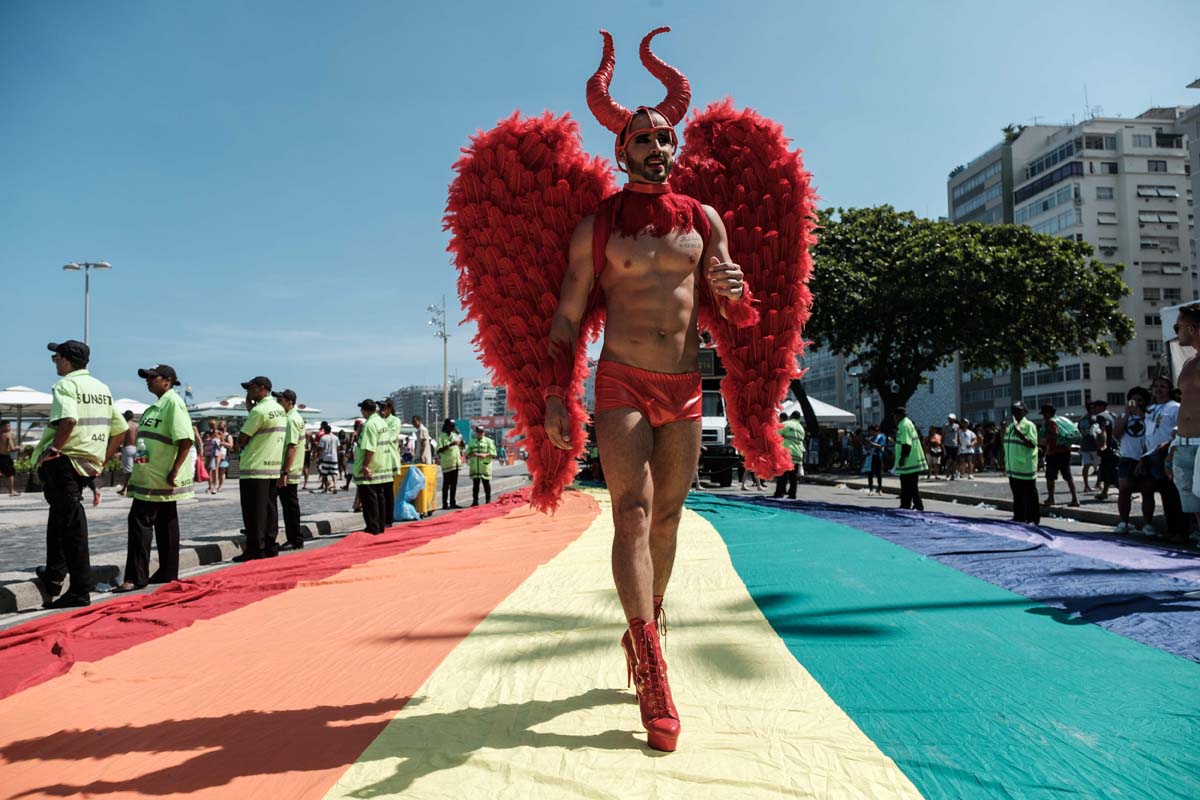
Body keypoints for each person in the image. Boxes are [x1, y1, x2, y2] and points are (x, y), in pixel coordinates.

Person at [541, 50, 757, 750]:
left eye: (666, 136)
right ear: (621, 149)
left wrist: (737, 293)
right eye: (644, 137)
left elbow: (741, 312)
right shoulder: (597, 227)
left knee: (667, 519)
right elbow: (568, 319)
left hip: (687, 386)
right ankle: (652, 661)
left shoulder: (704, 218)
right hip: (622, 381)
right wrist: (554, 394)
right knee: (630, 513)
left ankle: (646, 623)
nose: (658, 146)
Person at [32, 340, 127, 608]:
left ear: (65, 360)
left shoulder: (66, 385)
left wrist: (53, 449)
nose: (55, 363)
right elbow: (119, 429)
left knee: (72, 525)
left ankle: (79, 590)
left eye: (55, 358)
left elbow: (69, 420)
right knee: (60, 518)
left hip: (65, 461)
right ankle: (54, 574)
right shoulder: (102, 388)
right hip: (86, 463)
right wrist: (102, 461)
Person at [116, 365, 193, 591]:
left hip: (160, 477)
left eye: (152, 377)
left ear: (167, 381)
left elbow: (186, 440)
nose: (147, 381)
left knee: (139, 523)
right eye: (146, 377)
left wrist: (175, 470)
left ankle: (135, 577)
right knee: (166, 522)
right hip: (151, 474)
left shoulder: (173, 404)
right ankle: (168, 572)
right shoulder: (156, 407)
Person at [233, 376, 286, 561]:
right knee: (270, 510)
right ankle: (270, 545)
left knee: (254, 512)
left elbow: (243, 437)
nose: (248, 391)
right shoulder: (279, 410)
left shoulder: (259, 411)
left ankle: (255, 549)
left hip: (254, 466)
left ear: (261, 388)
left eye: (250, 388)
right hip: (272, 466)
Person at [1167, 305, 1200, 545]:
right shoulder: (1189, 362)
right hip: (1185, 442)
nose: (1175, 331)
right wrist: (1176, 442)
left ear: (1193, 328)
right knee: (1194, 505)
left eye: (1177, 327)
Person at [1141, 375, 1184, 540]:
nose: (1159, 389)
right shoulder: (1150, 409)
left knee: (1174, 494)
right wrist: (1143, 457)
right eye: (1156, 386)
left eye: (1163, 386)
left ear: (1169, 390)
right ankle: (1170, 529)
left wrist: (1167, 445)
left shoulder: (1175, 407)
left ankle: (1180, 531)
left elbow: (1179, 430)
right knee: (1164, 495)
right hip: (1151, 456)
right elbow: (1147, 434)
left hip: (1168, 454)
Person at [1113, 387, 1151, 535]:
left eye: (1140, 401)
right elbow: (1116, 433)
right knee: (1124, 491)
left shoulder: (1150, 417)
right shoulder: (1123, 416)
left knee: (1147, 492)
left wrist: (1142, 415)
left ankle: (1148, 523)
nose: (1136, 404)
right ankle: (1123, 521)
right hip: (1127, 459)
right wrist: (1128, 415)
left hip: (1145, 458)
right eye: (1133, 400)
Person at [352, 399, 390, 534]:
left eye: (362, 409)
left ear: (365, 410)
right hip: (381, 465)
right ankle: (380, 526)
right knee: (379, 498)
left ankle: (372, 527)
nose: (361, 412)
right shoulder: (381, 422)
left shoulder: (370, 424)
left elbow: (370, 448)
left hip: (370, 467)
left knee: (369, 501)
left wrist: (364, 466)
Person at [275, 389, 306, 551]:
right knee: (290, 506)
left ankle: (295, 538)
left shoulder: (291, 420)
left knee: (290, 507)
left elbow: (291, 447)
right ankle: (294, 537)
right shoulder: (294, 417)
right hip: (291, 468)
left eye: (280, 400)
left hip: (288, 470)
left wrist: (284, 472)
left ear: (290, 402)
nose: (278, 402)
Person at [1004, 401, 1040, 525]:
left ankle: (1033, 519)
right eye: (1014, 411)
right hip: (1013, 468)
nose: (1016, 414)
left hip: (1025, 467)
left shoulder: (1029, 426)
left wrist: (1021, 434)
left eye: (1019, 411)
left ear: (1025, 412)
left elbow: (1032, 444)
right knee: (1017, 495)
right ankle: (1019, 517)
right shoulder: (1010, 427)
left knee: (1030, 495)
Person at [1039, 404, 1080, 508]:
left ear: (1047, 413)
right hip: (1066, 451)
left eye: (1044, 414)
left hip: (1054, 452)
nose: (1043, 416)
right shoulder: (1062, 419)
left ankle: (1051, 498)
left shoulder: (1051, 422)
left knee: (1050, 477)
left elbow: (1055, 434)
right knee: (1068, 476)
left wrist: (1045, 438)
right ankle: (1075, 499)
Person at [892, 406, 926, 510]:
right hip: (911, 460)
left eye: (894, 416)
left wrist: (902, 458)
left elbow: (907, 444)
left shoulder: (904, 425)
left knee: (908, 485)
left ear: (899, 416)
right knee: (910, 485)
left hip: (909, 461)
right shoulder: (906, 423)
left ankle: (913, 505)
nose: (894, 418)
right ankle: (909, 504)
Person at [378, 399, 401, 527]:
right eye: (380, 408)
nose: (381, 410)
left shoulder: (394, 421)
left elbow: (390, 437)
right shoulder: (378, 420)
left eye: (384, 408)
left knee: (387, 490)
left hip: (389, 457)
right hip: (379, 459)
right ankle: (381, 518)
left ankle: (388, 519)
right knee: (379, 491)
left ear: (390, 408)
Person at [436, 418, 464, 510]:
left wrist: (460, 436)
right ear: (446, 426)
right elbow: (439, 450)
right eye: (451, 426)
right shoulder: (442, 437)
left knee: (454, 484)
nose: (452, 428)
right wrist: (450, 445)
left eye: (454, 426)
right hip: (447, 464)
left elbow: (462, 445)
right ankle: (445, 503)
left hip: (455, 463)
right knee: (446, 484)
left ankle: (453, 502)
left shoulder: (455, 435)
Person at [466, 425, 497, 505]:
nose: (480, 433)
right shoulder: (472, 441)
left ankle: (488, 500)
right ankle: (475, 501)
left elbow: (494, 453)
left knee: (486, 484)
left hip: (485, 466)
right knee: (475, 485)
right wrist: (472, 454)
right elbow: (467, 453)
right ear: (476, 433)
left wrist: (485, 455)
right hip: (475, 467)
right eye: (478, 432)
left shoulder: (489, 441)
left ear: (484, 432)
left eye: (481, 432)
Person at [116, 410, 137, 495]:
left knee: (128, 471)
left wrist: (117, 449)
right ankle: (133, 488)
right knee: (135, 470)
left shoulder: (125, 425)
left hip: (127, 448)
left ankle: (124, 489)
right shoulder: (136, 425)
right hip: (136, 448)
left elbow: (122, 439)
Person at [316, 422, 339, 493]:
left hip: (325, 457)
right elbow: (338, 447)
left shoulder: (323, 438)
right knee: (334, 473)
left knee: (324, 474)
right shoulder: (336, 437)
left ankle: (326, 488)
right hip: (334, 457)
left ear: (325, 430)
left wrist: (318, 457)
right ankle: (335, 486)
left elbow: (320, 449)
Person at [864, 424, 886, 493]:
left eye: (871, 431)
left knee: (879, 474)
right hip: (871, 456)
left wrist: (871, 443)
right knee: (870, 474)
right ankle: (871, 489)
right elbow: (867, 447)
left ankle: (880, 489)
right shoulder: (871, 437)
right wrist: (866, 444)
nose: (870, 433)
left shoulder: (881, 436)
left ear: (875, 431)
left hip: (878, 456)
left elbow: (881, 446)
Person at [0, 421, 18, 496]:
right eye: (8, 426)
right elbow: (12, 448)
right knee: (11, 474)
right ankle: (11, 491)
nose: (10, 427)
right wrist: (18, 448)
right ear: (3, 427)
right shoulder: (8, 435)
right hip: (5, 457)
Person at [942, 414, 960, 481]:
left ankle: (953, 474)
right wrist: (942, 444)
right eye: (949, 418)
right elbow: (943, 435)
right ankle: (947, 475)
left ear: (954, 419)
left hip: (954, 445)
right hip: (947, 444)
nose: (950, 419)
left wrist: (959, 444)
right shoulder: (945, 426)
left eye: (952, 418)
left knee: (954, 460)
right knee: (948, 460)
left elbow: (957, 435)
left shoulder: (957, 426)